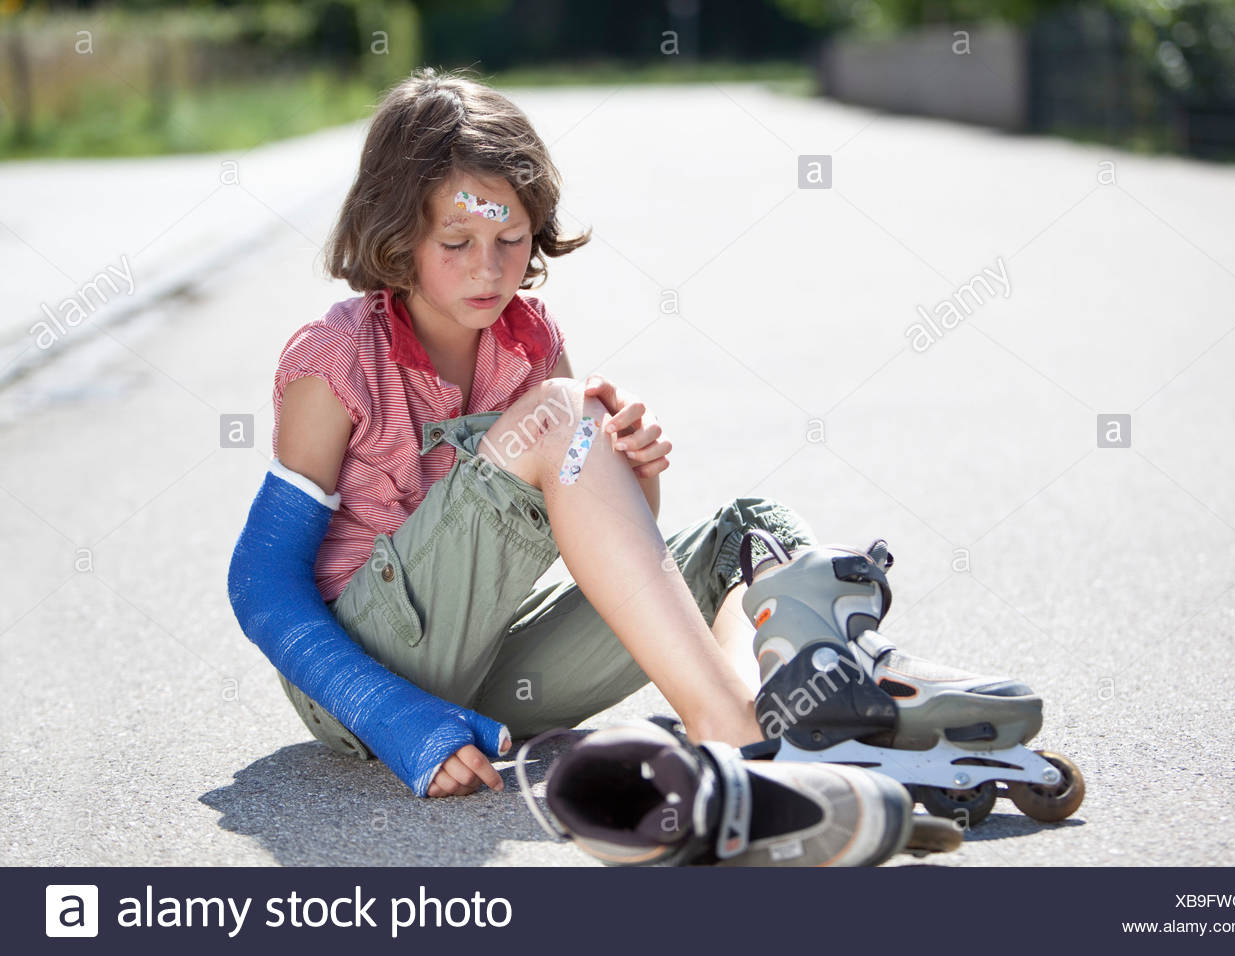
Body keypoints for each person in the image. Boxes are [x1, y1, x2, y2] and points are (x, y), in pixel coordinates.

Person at [227, 67, 816, 800]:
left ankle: (775, 714)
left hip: (489, 657)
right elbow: (260, 582)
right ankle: (733, 737)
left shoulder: (531, 342)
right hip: (359, 680)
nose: (490, 267)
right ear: (397, 234)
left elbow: (602, 542)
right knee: (561, 415)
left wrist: (632, 465)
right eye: (457, 241)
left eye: (510, 236)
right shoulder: (335, 358)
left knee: (748, 540)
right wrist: (395, 716)